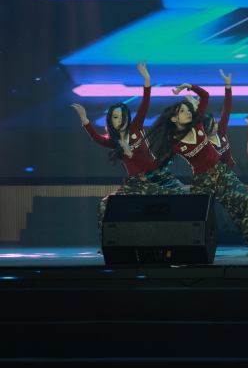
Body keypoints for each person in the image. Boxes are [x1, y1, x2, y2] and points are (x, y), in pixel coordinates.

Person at [72, 61, 188, 251]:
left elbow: (145, 103)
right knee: (104, 206)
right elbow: (97, 138)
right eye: (115, 117)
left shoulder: (136, 127)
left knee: (186, 196)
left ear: (128, 116)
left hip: (157, 178)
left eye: (122, 116)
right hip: (135, 184)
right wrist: (85, 120)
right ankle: (107, 244)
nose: (119, 120)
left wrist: (147, 80)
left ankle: (184, 240)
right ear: (110, 120)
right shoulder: (113, 141)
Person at [147, 81, 248, 256]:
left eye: (188, 110)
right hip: (202, 181)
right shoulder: (173, 143)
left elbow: (205, 96)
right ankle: (183, 252)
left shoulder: (198, 124)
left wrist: (190, 86)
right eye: (182, 111)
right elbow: (156, 164)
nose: (188, 112)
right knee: (195, 216)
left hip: (223, 173)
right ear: (173, 119)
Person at [184, 69, 236, 169]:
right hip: (211, 175)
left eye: (215, 123)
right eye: (211, 125)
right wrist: (196, 110)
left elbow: (227, 108)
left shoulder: (220, 130)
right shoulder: (202, 141)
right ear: (204, 127)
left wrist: (228, 86)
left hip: (229, 172)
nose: (215, 126)